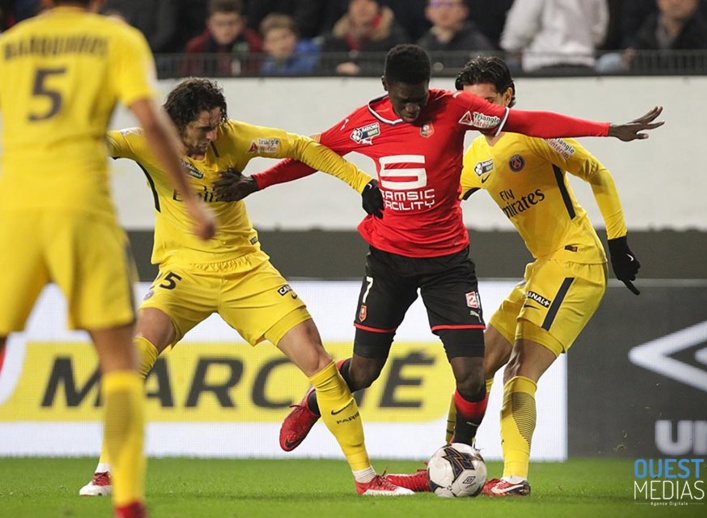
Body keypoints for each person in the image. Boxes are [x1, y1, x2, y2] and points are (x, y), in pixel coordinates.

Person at [213, 44, 662, 459]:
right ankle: (314, 402)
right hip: (388, 261)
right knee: (364, 372)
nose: (413, 108)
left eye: (420, 97)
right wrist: (257, 182)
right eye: (404, 100)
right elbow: (312, 153)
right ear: (386, 87)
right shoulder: (364, 123)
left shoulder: (455, 108)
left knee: (472, 375)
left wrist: (607, 130)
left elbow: (528, 122)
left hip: (447, 264)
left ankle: (457, 458)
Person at [77, 77, 410, 498]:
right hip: (184, 273)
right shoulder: (147, 141)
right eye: (204, 128)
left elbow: (302, 147)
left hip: (247, 272)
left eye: (217, 125)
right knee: (133, 356)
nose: (213, 135)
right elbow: (91, 145)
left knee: (320, 363)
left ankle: (367, 480)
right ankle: (107, 472)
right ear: (177, 122)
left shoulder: (236, 138)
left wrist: (362, 183)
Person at [383, 55, 642, 496]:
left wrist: (618, 244)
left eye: (488, 101)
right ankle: (445, 467)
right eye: (471, 104)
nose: (479, 113)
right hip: (542, 267)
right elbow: (437, 199)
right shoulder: (474, 155)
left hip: (576, 263)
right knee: (477, 367)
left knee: (519, 371)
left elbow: (597, 173)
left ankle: (515, 478)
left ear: (508, 96)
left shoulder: (534, 135)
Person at [0, 2, 216, 517]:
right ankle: (127, 500)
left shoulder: (10, 45)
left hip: (14, 206)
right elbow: (151, 121)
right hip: (81, 205)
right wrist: (190, 199)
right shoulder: (116, 39)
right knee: (120, 358)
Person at [500, 0, 609, 73]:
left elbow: (519, 29)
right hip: (584, 67)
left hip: (546, 67)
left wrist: (511, 48)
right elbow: (599, 33)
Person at [319, 0, 409, 76]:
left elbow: (399, 71)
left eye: (369, 1)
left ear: (378, 7)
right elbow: (322, 68)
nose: (362, 7)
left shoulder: (394, 39)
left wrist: (361, 70)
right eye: (356, 2)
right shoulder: (335, 39)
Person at [183, 0, 262, 77]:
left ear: (242, 22)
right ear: (209, 23)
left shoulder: (254, 45)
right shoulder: (196, 48)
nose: (226, 30)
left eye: (232, 23)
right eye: (220, 24)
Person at [416, 0, 494, 70]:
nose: (443, 10)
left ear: (464, 11)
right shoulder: (423, 44)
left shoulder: (477, 43)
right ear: (427, 11)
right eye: (436, 4)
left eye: (450, 4)